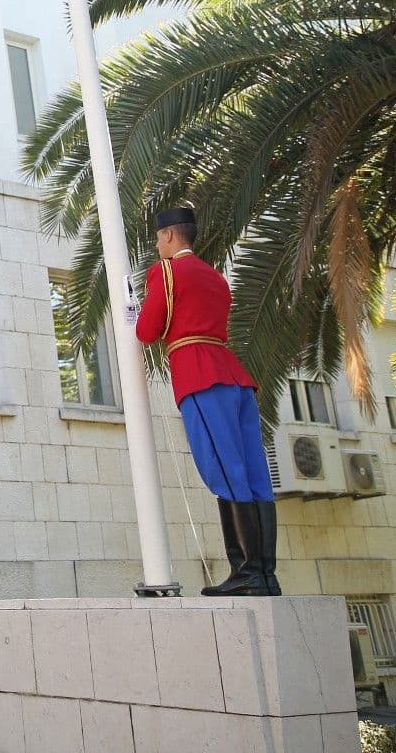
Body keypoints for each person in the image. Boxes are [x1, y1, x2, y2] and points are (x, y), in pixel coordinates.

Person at [135, 206, 279, 596]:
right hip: (234, 376)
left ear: (168, 235)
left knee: (224, 470)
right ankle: (266, 574)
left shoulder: (166, 272)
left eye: (158, 238)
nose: (157, 245)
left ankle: (246, 572)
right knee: (255, 474)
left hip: (200, 374)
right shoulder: (214, 276)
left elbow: (147, 330)